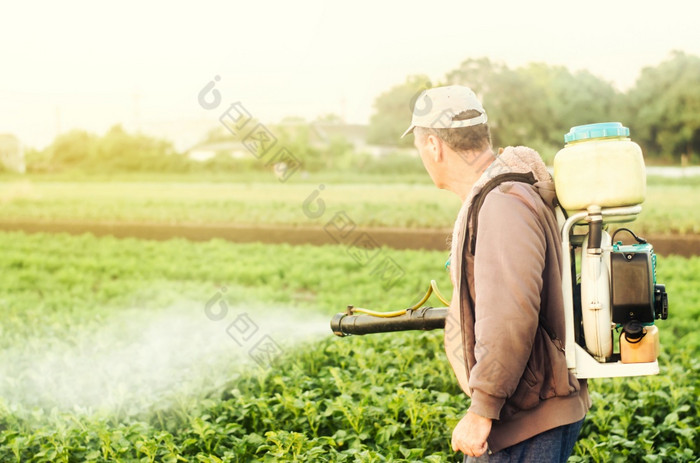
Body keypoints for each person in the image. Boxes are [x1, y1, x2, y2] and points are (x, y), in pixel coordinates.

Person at [402, 85, 591, 462]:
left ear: (434, 146)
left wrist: (482, 409)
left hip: (526, 421)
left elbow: (509, 316)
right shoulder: (503, 195)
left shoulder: (502, 204)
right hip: (527, 414)